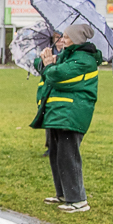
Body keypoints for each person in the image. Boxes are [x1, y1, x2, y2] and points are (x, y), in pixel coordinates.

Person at [31, 23, 101, 213]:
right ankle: (63, 194)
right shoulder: (66, 56)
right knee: (56, 154)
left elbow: (56, 76)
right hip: (58, 113)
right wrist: (44, 61)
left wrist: (50, 65)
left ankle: (78, 200)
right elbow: (45, 70)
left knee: (69, 156)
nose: (62, 39)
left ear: (77, 39)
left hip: (72, 114)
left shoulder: (84, 60)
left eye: (67, 37)